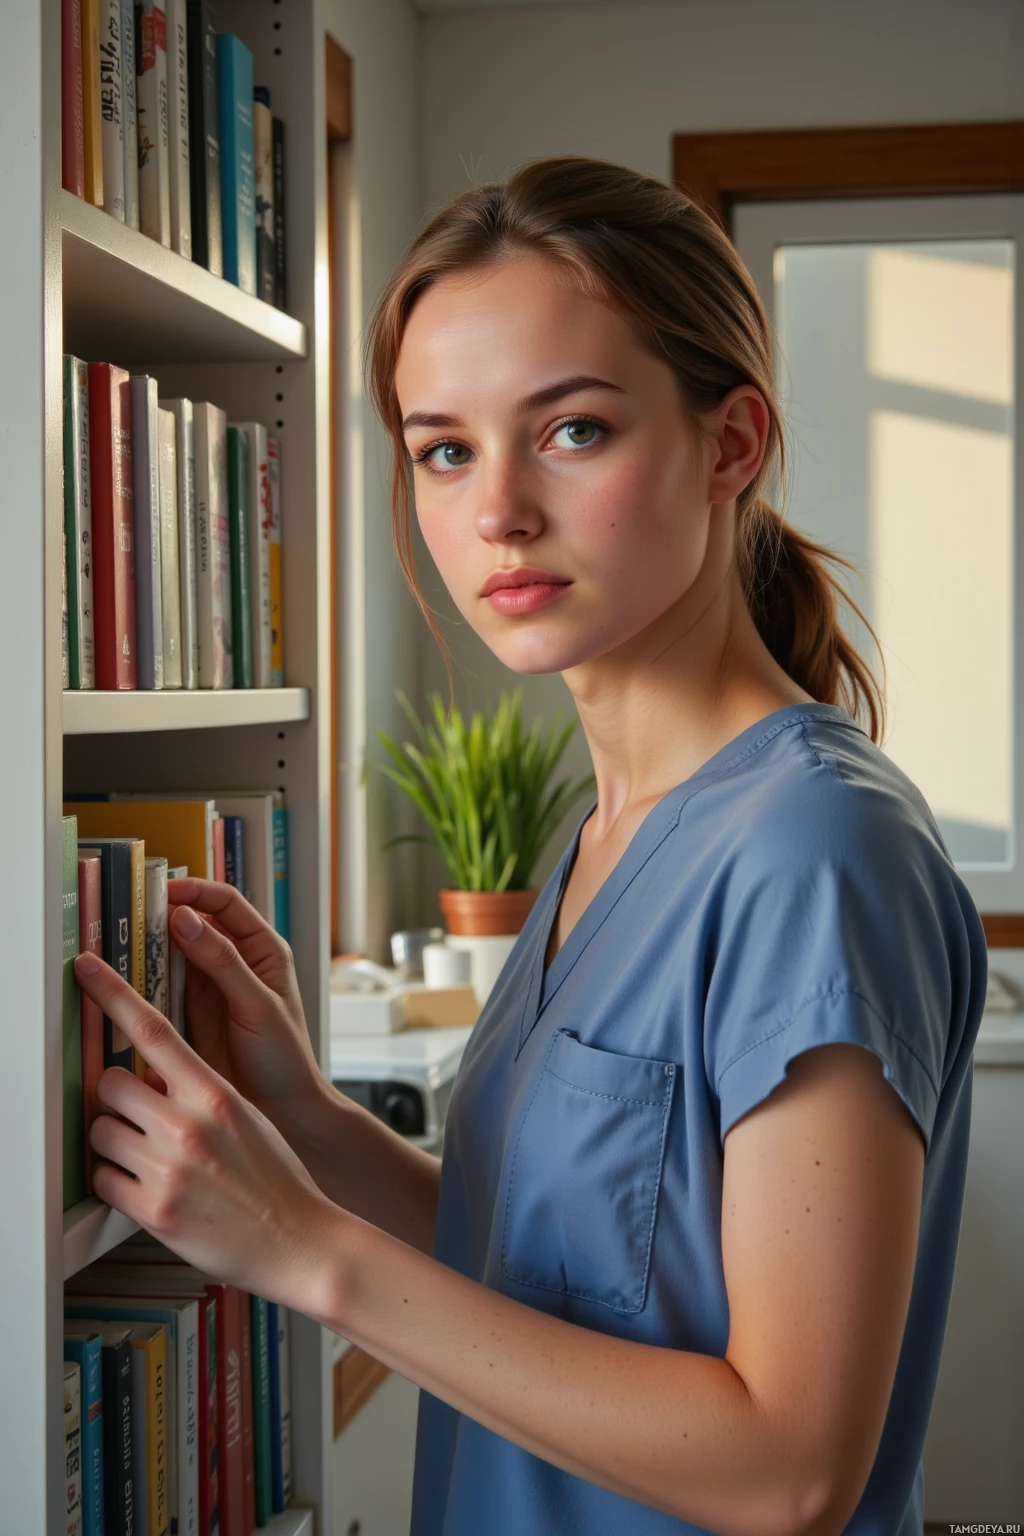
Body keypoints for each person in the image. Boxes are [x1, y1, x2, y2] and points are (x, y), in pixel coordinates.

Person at [75, 157, 987, 1536]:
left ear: (730, 444)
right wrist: (307, 1124)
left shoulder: (814, 849)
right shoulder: (607, 831)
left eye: (570, 432)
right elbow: (569, 1265)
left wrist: (309, 1254)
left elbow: (792, 1469)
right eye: (444, 448)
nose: (495, 510)